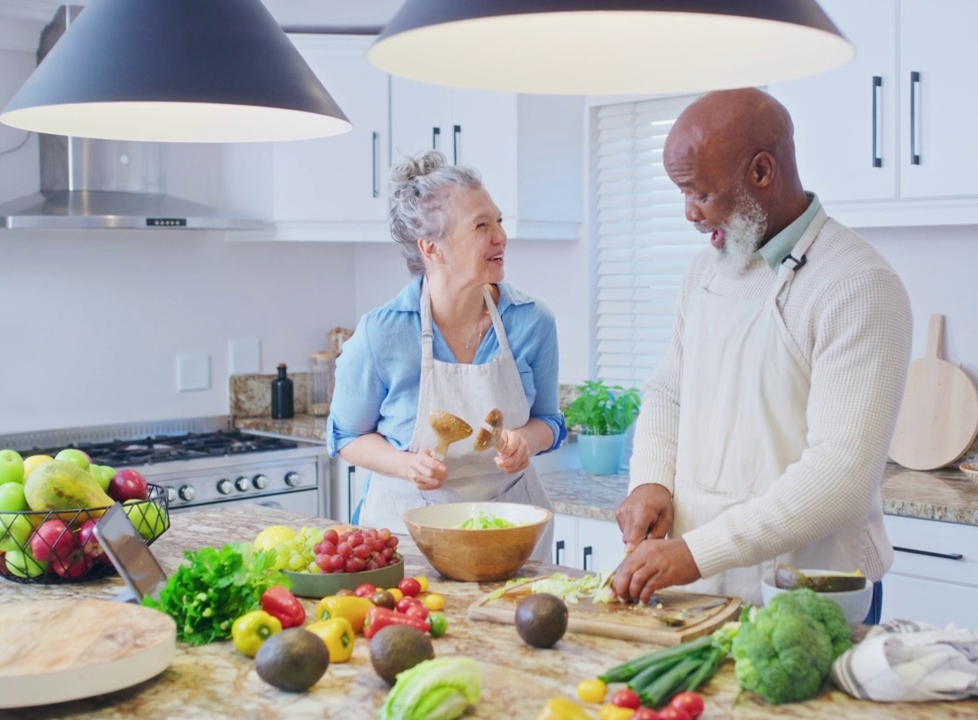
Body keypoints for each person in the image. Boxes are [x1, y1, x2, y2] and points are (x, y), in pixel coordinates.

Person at [611, 88, 913, 618]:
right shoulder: (705, 271)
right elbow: (669, 390)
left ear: (761, 172)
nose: (689, 213)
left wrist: (694, 552)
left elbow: (840, 476)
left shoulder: (858, 284)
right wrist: (651, 478)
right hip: (704, 586)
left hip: (807, 592)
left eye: (700, 192)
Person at [327, 150, 566, 559]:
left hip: (510, 531)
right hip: (408, 535)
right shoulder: (382, 332)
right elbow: (345, 436)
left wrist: (526, 440)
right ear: (431, 248)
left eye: (499, 221)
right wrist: (407, 465)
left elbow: (550, 422)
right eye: (481, 226)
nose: (500, 236)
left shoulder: (532, 321)